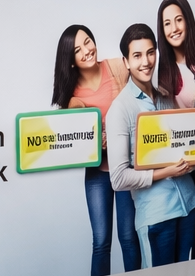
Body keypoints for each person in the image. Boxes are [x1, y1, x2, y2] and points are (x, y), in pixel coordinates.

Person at [107, 23, 195, 268]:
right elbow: (117, 178)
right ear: (125, 61)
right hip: (157, 215)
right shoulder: (120, 109)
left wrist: (193, 158)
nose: (145, 61)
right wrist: (167, 172)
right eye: (136, 55)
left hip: (189, 205)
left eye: (150, 52)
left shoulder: (166, 97)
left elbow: (185, 147)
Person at [51, 25, 141, 276]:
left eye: (88, 42)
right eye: (78, 50)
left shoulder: (118, 67)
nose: (87, 50)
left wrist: (111, 135)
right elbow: (77, 143)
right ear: (70, 61)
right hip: (97, 174)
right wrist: (98, 140)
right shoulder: (71, 98)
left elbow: (139, 104)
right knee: (101, 243)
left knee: (129, 238)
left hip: (125, 169)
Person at [155, 0, 195, 259]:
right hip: (176, 167)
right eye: (167, 23)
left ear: (188, 21)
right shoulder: (158, 69)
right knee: (177, 246)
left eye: (179, 20)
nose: (174, 28)